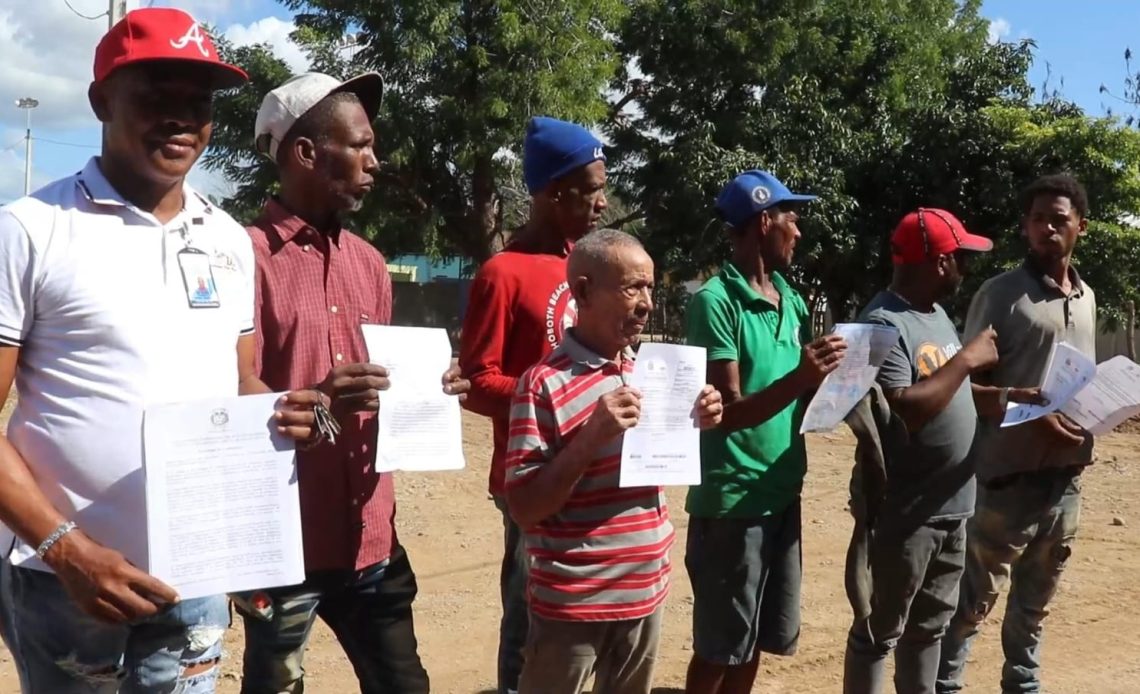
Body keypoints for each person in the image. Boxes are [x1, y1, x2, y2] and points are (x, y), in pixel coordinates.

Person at [0, 9, 323, 693]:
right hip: (64, 584)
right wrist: (69, 553)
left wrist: (285, 412)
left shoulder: (230, 239)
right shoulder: (29, 231)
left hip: (195, 576)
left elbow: (240, 381)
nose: (180, 119)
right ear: (101, 101)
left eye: (197, 102)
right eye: (156, 95)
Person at [235, 71, 469, 694]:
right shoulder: (242, 258)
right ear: (307, 153)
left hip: (372, 536)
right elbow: (229, 396)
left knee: (404, 686)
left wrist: (429, 388)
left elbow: (383, 384)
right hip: (286, 541)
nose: (375, 159)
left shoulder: (368, 263)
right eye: (360, 145)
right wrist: (317, 395)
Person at [505, 229, 723, 694]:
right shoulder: (542, 383)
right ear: (583, 291)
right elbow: (524, 507)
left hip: (645, 593)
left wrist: (698, 417)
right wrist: (590, 438)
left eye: (649, 287)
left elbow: (658, 470)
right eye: (632, 288)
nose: (646, 302)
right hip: (573, 603)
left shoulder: (651, 372)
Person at [842, 208, 1035, 694]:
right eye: (959, 257)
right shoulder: (881, 322)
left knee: (929, 630)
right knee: (878, 633)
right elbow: (904, 406)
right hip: (905, 513)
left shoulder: (935, 316)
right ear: (939, 262)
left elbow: (950, 392)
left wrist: (1006, 398)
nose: (965, 268)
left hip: (952, 507)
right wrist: (969, 358)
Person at [683, 170, 848, 694]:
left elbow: (800, 392)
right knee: (719, 649)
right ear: (763, 221)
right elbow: (727, 411)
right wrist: (802, 376)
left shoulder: (789, 298)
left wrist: (838, 382)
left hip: (781, 493)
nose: (798, 233)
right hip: (733, 501)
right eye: (792, 220)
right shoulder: (716, 302)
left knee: (755, 642)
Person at [459, 116, 608, 694]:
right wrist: (556, 397)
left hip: (596, 473)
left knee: (584, 618)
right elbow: (476, 382)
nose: (602, 199)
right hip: (532, 479)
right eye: (592, 188)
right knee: (531, 621)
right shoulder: (503, 272)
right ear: (553, 192)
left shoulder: (589, 266)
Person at [937, 175, 1097, 694]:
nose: (1048, 227)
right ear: (1025, 227)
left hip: (1065, 478)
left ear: (1081, 227)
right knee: (973, 602)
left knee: (1035, 605)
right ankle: (945, 684)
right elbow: (963, 383)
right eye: (1037, 219)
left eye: (1059, 219)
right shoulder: (1002, 294)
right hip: (1006, 480)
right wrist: (1026, 408)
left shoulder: (1088, 297)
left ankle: (1022, 685)